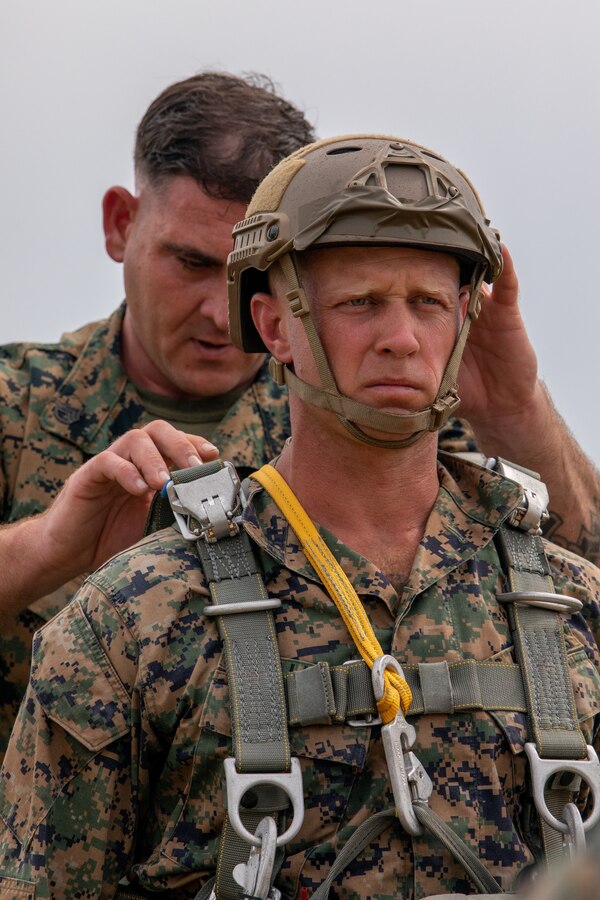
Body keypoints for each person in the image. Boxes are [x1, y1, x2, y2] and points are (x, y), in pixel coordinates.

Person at [1, 135, 598, 899]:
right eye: (360, 304)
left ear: (464, 318)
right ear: (276, 327)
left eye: (427, 303)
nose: (402, 339)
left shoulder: (567, 606)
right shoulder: (131, 620)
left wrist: (517, 405)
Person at [0, 70, 316, 759]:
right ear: (122, 225)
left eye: (249, 276)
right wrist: (48, 547)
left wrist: (513, 400)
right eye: (191, 262)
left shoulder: (346, 432)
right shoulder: (16, 403)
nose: (220, 313)